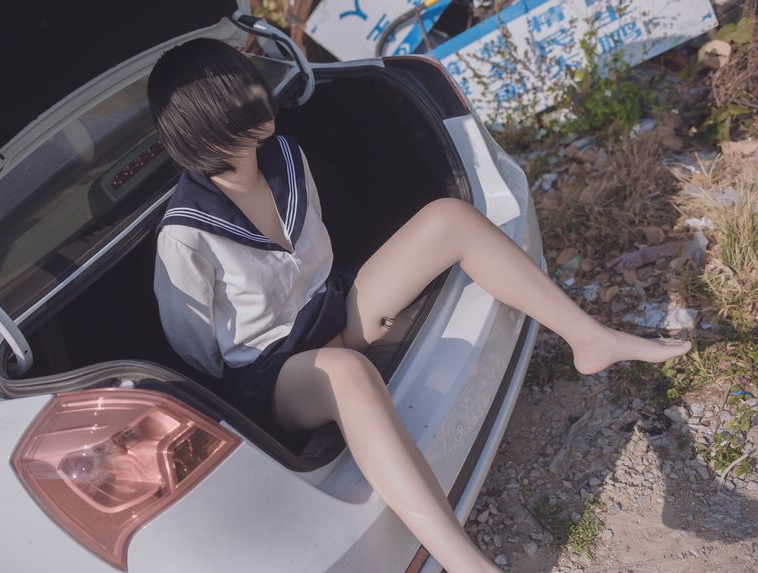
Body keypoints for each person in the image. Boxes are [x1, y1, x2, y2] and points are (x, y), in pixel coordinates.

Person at [147, 37, 692, 573]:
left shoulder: (286, 157)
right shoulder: (185, 234)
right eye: (237, 96)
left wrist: (344, 314)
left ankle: (589, 339)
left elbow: (319, 257)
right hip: (275, 374)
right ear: (203, 124)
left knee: (447, 219)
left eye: (249, 85)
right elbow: (195, 348)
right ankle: (465, 563)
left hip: (333, 306)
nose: (257, 98)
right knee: (348, 371)